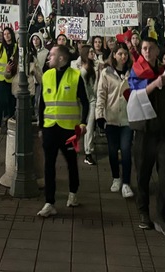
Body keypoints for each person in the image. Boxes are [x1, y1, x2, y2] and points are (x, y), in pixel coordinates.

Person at [129, 35, 165, 238]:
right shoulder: (137, 70)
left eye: (151, 48)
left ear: (158, 51)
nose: (147, 51)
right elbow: (135, 93)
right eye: (144, 48)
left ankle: (162, 215)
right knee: (143, 174)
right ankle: (143, 212)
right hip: (145, 132)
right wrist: (154, 84)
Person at [36, 43, 90, 218]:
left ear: (61, 58)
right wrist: (41, 126)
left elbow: (85, 101)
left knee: (71, 163)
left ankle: (73, 193)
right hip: (50, 128)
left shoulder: (75, 76)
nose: (48, 57)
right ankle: (49, 202)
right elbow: (42, 104)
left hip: (69, 130)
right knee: (48, 166)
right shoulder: (47, 75)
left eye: (51, 55)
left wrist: (83, 123)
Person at [96, 43, 134, 199]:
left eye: (125, 54)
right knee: (112, 151)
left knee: (126, 150)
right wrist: (99, 115)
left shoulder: (132, 73)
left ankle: (126, 183)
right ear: (114, 55)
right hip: (111, 118)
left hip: (127, 119)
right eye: (120, 54)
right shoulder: (106, 73)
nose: (123, 57)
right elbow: (101, 95)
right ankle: (116, 178)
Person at [0, 27, 18, 137]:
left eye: (8, 33)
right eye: (5, 34)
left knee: (11, 102)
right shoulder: (0, 47)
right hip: (1, 78)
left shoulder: (16, 47)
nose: (6, 35)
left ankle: (9, 122)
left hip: (12, 79)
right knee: (1, 101)